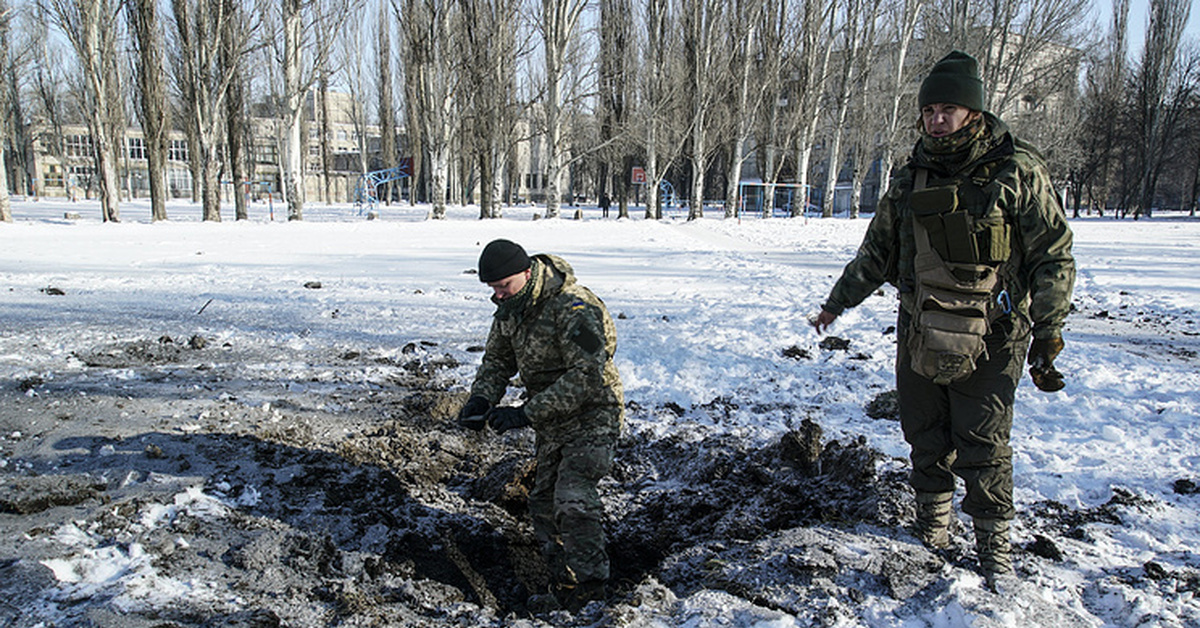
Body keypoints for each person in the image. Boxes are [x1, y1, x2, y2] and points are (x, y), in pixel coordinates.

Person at [810, 50, 1075, 591]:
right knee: (926, 436)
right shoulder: (911, 176)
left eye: (947, 109)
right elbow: (876, 252)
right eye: (929, 110)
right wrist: (839, 302)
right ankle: (932, 533)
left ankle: (993, 553)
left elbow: (1053, 254)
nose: (936, 120)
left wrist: (1049, 328)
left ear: (973, 113)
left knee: (982, 441)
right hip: (920, 327)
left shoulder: (1016, 170)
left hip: (995, 332)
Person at [457, 238, 624, 612]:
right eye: (492, 289)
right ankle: (566, 588)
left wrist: (525, 413)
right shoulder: (510, 310)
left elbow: (588, 375)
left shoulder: (575, 307)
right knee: (543, 502)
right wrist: (481, 399)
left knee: (572, 497)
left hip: (593, 413)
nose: (498, 295)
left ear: (527, 273)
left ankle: (592, 595)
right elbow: (497, 360)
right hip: (552, 421)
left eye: (504, 286)